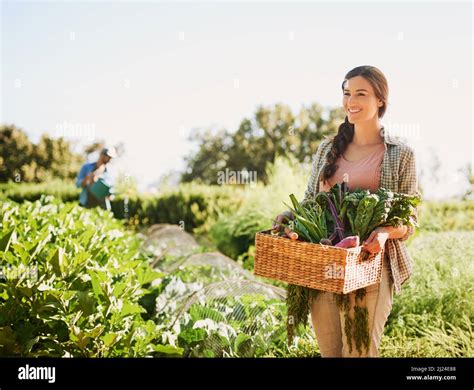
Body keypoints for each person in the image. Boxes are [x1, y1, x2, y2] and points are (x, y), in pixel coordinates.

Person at [273, 65, 420, 357]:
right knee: (331, 353)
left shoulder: (400, 154)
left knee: (360, 352)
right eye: (346, 93)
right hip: (323, 262)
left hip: (369, 265)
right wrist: (290, 218)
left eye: (360, 94)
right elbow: (310, 202)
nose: (350, 101)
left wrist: (382, 233)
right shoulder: (328, 148)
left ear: (380, 100)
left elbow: (410, 220)